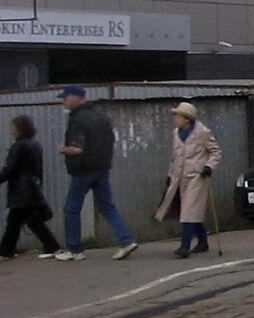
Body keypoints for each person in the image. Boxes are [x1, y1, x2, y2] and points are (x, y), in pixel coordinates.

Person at [57, 85, 137, 262]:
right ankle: (126, 240)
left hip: (83, 169)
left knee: (71, 208)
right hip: (102, 168)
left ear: (76, 97)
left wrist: (64, 149)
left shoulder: (78, 119)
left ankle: (74, 249)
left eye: (66, 97)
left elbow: (77, 148)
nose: (64, 101)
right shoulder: (101, 115)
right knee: (107, 207)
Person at [155, 102, 223, 259]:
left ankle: (184, 246)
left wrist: (209, 166)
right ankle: (203, 241)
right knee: (190, 209)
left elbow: (215, 151)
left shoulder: (202, 132)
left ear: (187, 119)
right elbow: (174, 157)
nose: (175, 119)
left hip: (197, 176)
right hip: (179, 176)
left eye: (178, 116)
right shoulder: (176, 133)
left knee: (189, 210)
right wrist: (170, 175)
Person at [0, 115, 62, 259]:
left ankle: (52, 247)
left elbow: (10, 168)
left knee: (22, 222)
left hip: (21, 190)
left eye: (13, 128)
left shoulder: (19, 145)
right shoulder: (35, 144)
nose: (12, 130)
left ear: (20, 129)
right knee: (21, 222)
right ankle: (6, 251)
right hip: (31, 187)